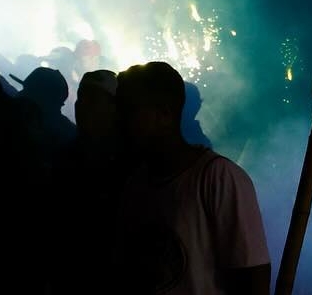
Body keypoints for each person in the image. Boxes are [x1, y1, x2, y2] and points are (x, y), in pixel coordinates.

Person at [116, 61, 270, 295]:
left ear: (165, 114)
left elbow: (253, 280)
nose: (120, 121)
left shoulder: (219, 178)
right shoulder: (135, 183)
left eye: (130, 110)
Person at [52, 70, 128, 295]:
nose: (83, 105)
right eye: (81, 97)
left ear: (115, 108)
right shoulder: (67, 154)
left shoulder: (131, 163)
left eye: (93, 99)